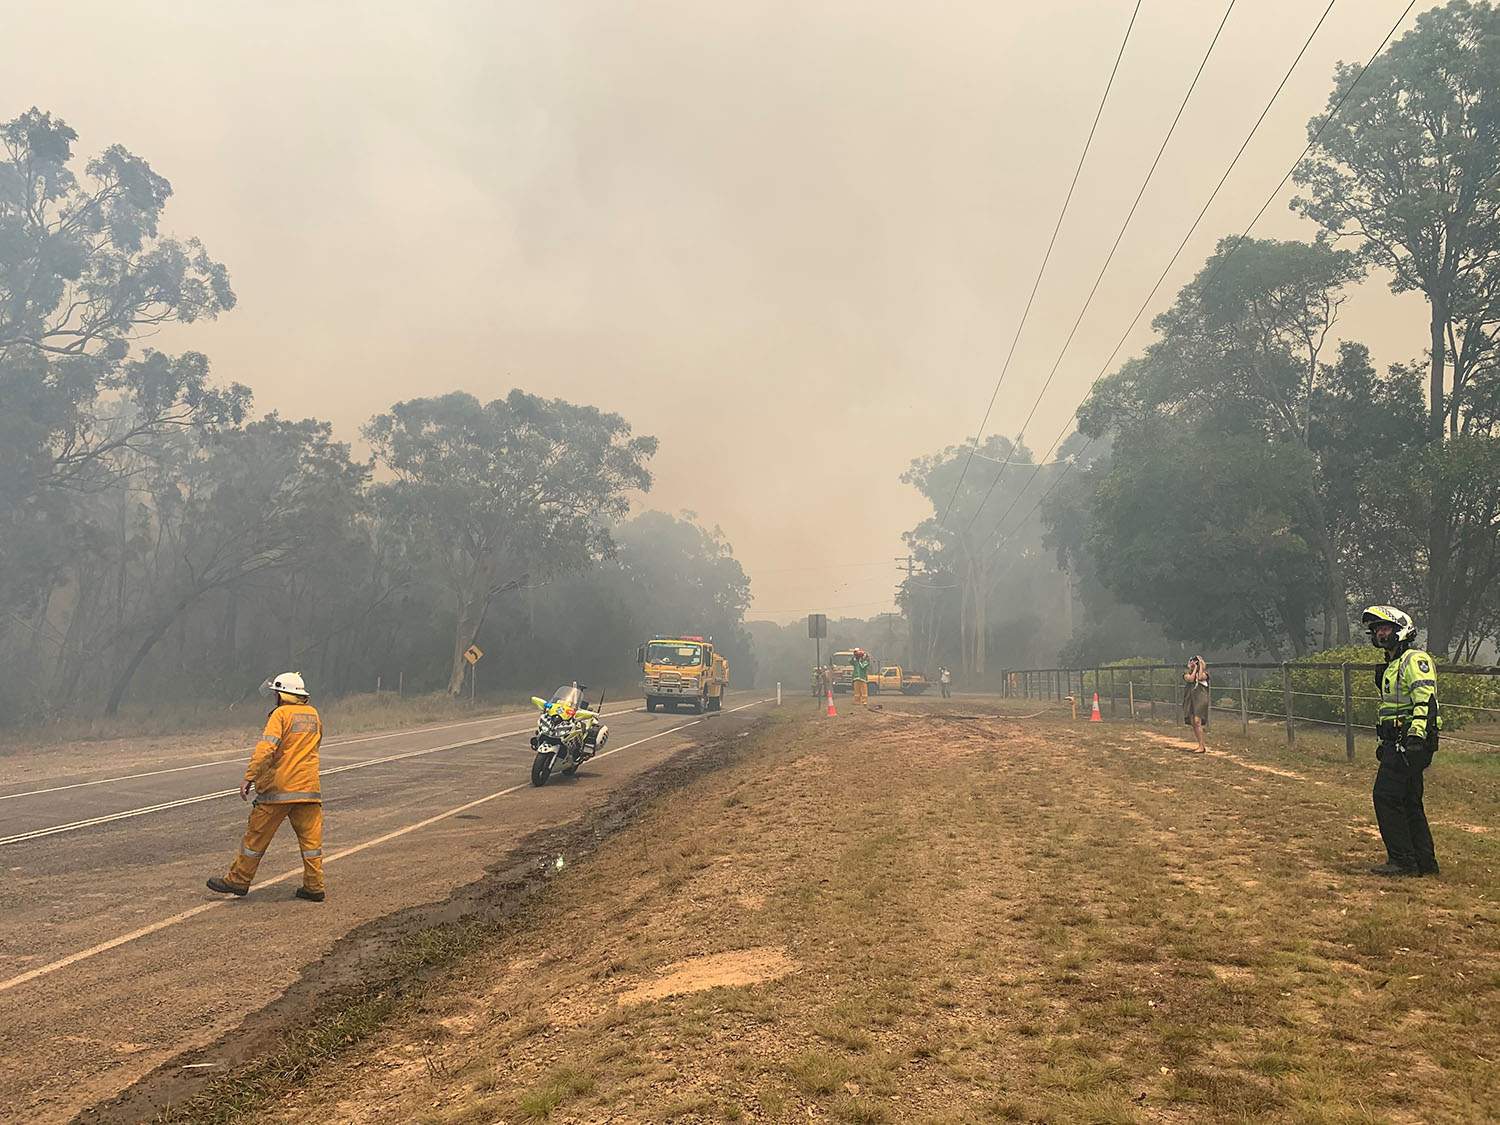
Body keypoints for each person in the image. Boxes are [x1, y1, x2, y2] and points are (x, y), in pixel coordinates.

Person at [207, 671, 327, 901]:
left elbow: (266, 750)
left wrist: (249, 777)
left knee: (255, 838)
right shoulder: (314, 715)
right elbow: (316, 745)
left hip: (278, 791)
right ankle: (314, 886)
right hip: (309, 790)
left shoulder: (280, 715)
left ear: (282, 695)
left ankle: (238, 880)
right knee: (311, 843)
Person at [1363, 605, 1440, 877]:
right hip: (1396, 741)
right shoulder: (1392, 665)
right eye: (1376, 630)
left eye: (1385, 628)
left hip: (1410, 741)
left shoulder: (1414, 660)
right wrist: (1385, 740)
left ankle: (1403, 861)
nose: (1380, 634)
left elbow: (1425, 699)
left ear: (1401, 630)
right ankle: (1424, 862)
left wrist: (1415, 736)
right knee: (1408, 800)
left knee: (1385, 796)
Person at [1182, 656, 1210, 753]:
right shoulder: (1186, 673)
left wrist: (1200, 666)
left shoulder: (1205, 674)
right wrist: (1192, 669)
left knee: (1197, 721)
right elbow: (1190, 679)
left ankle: (1202, 746)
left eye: (1196, 662)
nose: (1194, 663)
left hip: (1201, 698)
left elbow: (1200, 677)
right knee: (1193, 722)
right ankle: (1200, 744)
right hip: (1190, 699)